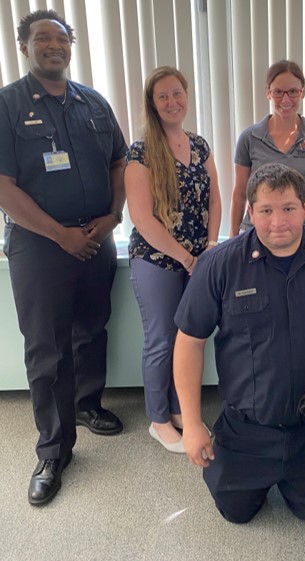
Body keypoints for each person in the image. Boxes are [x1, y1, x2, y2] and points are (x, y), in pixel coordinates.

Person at [173, 162, 305, 524]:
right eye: (266, 210)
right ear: (250, 212)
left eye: (288, 208)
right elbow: (189, 342)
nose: (278, 222)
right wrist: (193, 424)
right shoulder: (220, 265)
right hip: (247, 429)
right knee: (235, 512)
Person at [0, 9, 127, 505]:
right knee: (47, 347)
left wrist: (114, 216)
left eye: (61, 37)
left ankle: (87, 404)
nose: (54, 45)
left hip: (95, 239)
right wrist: (59, 235)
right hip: (38, 246)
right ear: (25, 47)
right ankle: (54, 447)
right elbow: (4, 187)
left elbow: (119, 160)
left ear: (71, 45)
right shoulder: (8, 105)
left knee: (92, 328)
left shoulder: (93, 103)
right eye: (42, 39)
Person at [125, 66, 221, 453]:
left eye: (176, 93)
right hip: (157, 259)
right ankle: (159, 419)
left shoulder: (199, 145)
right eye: (162, 96)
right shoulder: (142, 151)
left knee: (190, 337)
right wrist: (185, 257)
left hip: (199, 258)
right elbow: (141, 217)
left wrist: (211, 245)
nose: (171, 101)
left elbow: (215, 198)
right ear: (152, 103)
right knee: (162, 339)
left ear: (187, 95)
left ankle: (183, 410)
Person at [229, 60, 305, 236]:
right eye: (278, 92)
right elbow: (240, 192)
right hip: (258, 234)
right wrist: (233, 239)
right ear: (268, 93)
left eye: (293, 91)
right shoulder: (249, 138)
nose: (286, 99)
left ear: (303, 92)